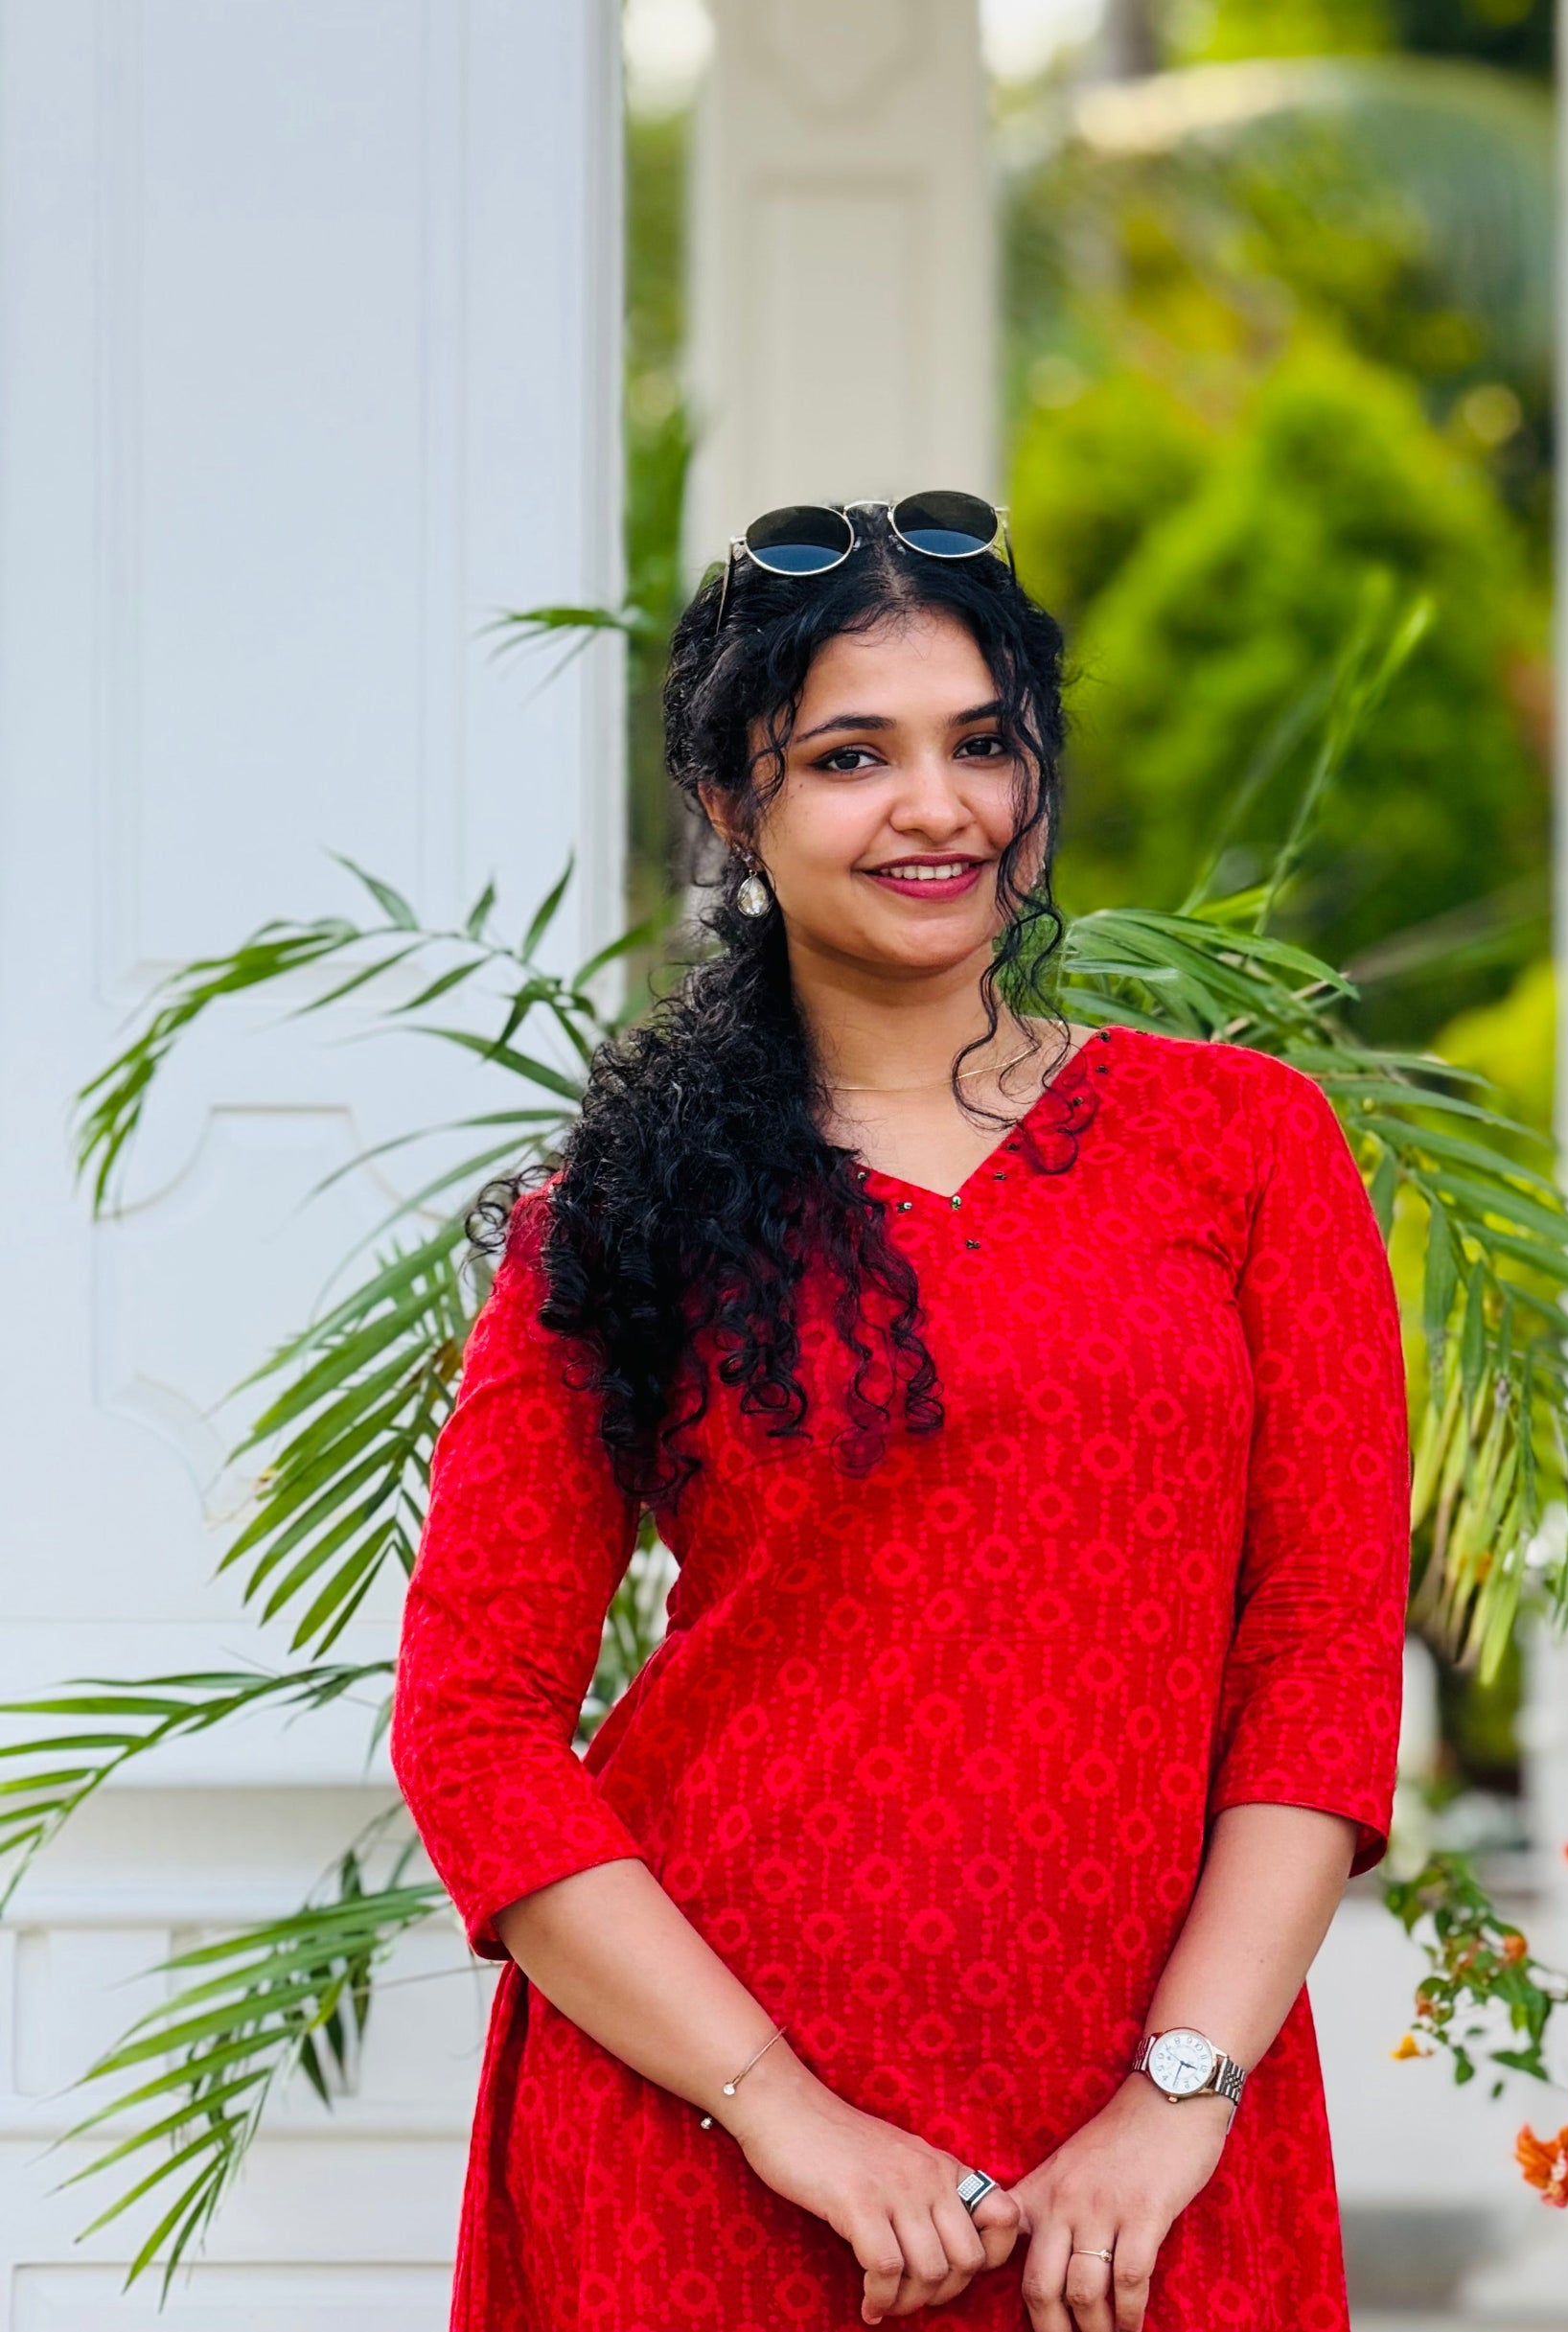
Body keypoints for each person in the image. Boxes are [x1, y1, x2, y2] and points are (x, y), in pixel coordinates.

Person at [389, 491, 1412, 2332]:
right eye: (853, 755)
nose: (934, 808)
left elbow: (1322, 1651)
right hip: (712, 2149)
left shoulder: (1241, 1147)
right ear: (732, 804)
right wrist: (787, 2115)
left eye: (982, 745)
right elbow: (473, 1725)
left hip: (1144, 2160)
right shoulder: (623, 1211)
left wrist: (1176, 2096)